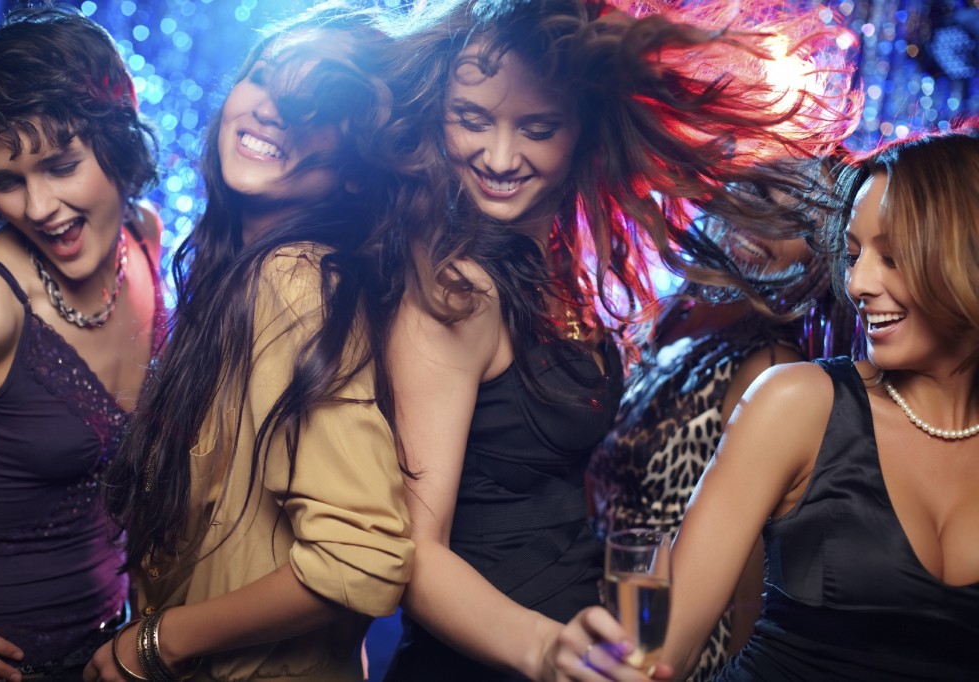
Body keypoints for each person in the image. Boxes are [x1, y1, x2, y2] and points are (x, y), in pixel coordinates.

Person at [375, 0, 860, 679]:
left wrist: (624, 646)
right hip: (489, 661)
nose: (500, 156)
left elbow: (601, 519)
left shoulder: (552, 265)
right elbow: (414, 552)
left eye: (537, 127)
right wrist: (544, 648)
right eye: (472, 119)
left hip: (585, 649)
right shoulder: (458, 287)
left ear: (583, 133)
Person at [82, 5, 414, 682]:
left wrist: (157, 642)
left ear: (357, 171)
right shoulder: (238, 271)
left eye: (313, 109)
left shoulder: (292, 282)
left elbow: (363, 554)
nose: (272, 113)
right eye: (265, 79)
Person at [657, 122, 979, 681]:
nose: (857, 283)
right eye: (853, 254)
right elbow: (663, 654)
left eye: (894, 256)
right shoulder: (797, 402)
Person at [0, 6, 163, 680]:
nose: (39, 207)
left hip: (110, 657)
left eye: (62, 164)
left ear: (119, 137)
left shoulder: (144, 240)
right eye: (7, 181)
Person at [588, 181, 856, 681]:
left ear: (822, 259)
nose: (762, 220)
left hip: (674, 659)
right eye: (759, 189)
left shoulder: (768, 370)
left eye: (797, 221)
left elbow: (753, 600)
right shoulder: (679, 316)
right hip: (607, 630)